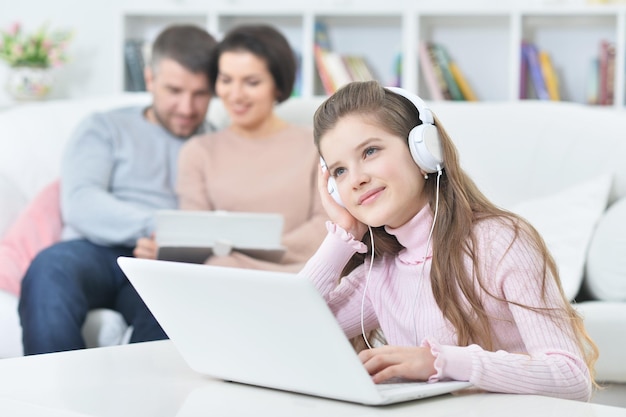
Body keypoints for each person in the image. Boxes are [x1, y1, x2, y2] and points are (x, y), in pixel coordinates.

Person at [301, 80, 598, 401]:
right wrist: (343, 236)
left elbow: (571, 376)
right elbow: (291, 330)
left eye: (370, 151)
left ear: (424, 150)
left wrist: (441, 362)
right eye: (340, 171)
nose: (356, 179)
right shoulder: (380, 272)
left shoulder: (501, 241)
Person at [18, 25, 217, 355]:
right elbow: (80, 202)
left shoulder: (219, 142)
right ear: (150, 79)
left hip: (164, 262)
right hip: (93, 249)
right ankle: (51, 402)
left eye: (200, 94)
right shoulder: (105, 127)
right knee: (49, 270)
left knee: (177, 303)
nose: (186, 107)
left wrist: (177, 245)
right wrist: (161, 226)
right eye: (174, 90)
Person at [135, 24, 327, 271]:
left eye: (251, 82)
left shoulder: (317, 145)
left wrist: (248, 251)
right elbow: (196, 236)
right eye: (226, 80)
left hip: (304, 271)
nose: (235, 95)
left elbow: (327, 226)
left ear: (277, 85)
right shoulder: (198, 152)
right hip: (225, 274)